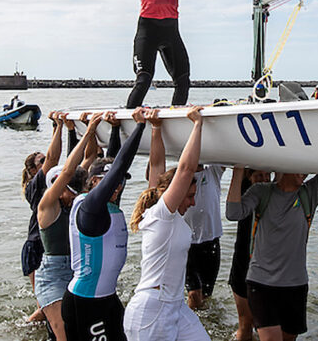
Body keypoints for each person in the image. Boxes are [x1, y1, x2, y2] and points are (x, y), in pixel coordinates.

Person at [62, 108, 149, 341]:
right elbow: (119, 166)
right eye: (112, 183)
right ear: (93, 182)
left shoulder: (108, 204)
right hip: (86, 302)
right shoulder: (90, 209)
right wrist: (140, 126)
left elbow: (112, 163)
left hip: (107, 298)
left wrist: (115, 129)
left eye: (120, 183)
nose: (118, 186)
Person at [123, 106, 209, 341]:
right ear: (176, 193)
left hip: (174, 305)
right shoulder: (162, 214)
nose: (192, 202)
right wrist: (197, 125)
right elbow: (185, 169)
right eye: (190, 195)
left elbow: (157, 165)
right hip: (151, 310)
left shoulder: (159, 210)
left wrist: (156, 128)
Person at [225, 169, 318, 341]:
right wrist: (238, 169)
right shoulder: (262, 191)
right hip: (261, 283)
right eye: (299, 168)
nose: (304, 172)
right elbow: (233, 213)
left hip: (295, 285)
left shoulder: (309, 194)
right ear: (283, 168)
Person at [35, 114, 103, 341]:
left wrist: (91, 132)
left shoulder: (73, 199)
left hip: (76, 269)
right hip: (52, 275)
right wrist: (89, 129)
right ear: (59, 188)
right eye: (71, 192)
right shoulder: (48, 205)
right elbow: (66, 171)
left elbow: (91, 156)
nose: (76, 197)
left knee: (80, 329)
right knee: (63, 333)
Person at [21, 112, 69, 323]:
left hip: (45, 247)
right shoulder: (35, 185)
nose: (45, 160)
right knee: (45, 306)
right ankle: (23, 330)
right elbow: (53, 159)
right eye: (40, 160)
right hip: (35, 247)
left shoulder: (48, 181)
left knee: (50, 304)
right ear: (33, 170)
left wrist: (56, 128)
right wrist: (59, 125)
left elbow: (54, 158)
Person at [227, 168, 272, 341]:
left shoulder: (273, 194)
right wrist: (239, 168)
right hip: (242, 264)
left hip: (266, 267)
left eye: (267, 175)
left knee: (266, 324)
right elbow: (237, 172)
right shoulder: (245, 195)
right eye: (259, 176)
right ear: (249, 177)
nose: (264, 180)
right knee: (246, 323)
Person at [183, 163, 225, 311]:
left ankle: (204, 326)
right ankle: (191, 326)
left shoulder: (213, 172)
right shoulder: (182, 174)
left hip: (211, 241)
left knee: (206, 295)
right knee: (194, 294)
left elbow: (225, 156)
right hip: (187, 243)